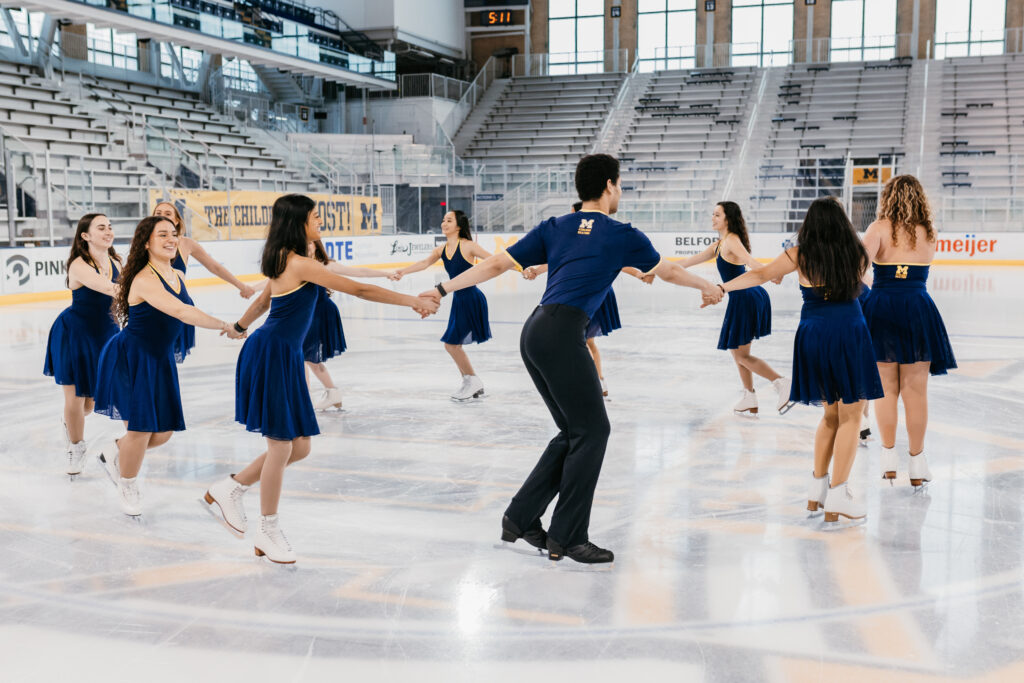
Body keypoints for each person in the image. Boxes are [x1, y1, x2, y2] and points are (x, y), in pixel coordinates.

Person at [420, 154, 722, 565]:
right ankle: (569, 537)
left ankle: (521, 518)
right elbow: (665, 271)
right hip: (562, 333)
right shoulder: (621, 233)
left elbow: (493, 264)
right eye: (620, 185)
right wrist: (708, 286)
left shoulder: (556, 225)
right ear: (611, 186)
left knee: (573, 431)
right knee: (593, 432)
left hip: (535, 331)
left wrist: (441, 287)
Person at [202, 195, 437, 564]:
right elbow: (357, 289)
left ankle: (230, 487)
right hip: (273, 353)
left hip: (283, 353)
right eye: (315, 217)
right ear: (298, 223)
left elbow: (265, 300)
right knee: (282, 446)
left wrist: (239, 326)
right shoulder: (296, 262)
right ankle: (268, 528)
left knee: (301, 447)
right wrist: (412, 301)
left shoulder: (288, 259)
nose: (320, 221)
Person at [719, 197, 883, 522]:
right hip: (849, 331)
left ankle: (816, 492)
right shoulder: (856, 253)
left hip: (812, 335)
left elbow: (761, 274)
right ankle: (839, 495)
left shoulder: (799, 254)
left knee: (830, 417)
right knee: (851, 417)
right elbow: (866, 291)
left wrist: (722, 288)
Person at [93, 217, 236, 516]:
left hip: (159, 361)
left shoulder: (177, 276)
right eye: (162, 235)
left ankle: (116, 449)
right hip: (132, 358)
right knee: (142, 430)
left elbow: (180, 315)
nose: (171, 239)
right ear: (146, 242)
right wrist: (226, 325)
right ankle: (128, 483)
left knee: (164, 432)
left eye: (174, 234)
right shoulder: (144, 279)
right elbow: (182, 311)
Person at [860, 175, 956, 485]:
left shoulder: (878, 229)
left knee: (886, 388)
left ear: (887, 197)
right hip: (917, 307)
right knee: (916, 392)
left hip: (883, 306)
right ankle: (917, 464)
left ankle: (888, 459)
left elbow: (856, 270)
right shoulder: (929, 232)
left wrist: (879, 287)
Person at [522, 201, 648, 397]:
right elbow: (560, 261)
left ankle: (596, 381)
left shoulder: (594, 234)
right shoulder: (575, 235)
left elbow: (619, 261)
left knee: (585, 340)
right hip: (581, 298)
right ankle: (593, 381)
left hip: (592, 297)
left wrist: (639, 274)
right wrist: (537, 270)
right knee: (583, 340)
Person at [253, 240, 397, 411]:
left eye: (311, 243)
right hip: (308, 314)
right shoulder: (295, 265)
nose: (307, 245)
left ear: (317, 245)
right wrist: (251, 288)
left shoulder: (325, 265)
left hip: (319, 314)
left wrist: (386, 273)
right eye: (304, 242)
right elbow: (273, 281)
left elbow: (359, 272)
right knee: (309, 358)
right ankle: (331, 392)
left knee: (301, 355)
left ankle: (304, 398)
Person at [677, 201, 791, 415]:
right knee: (736, 350)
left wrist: (773, 273)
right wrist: (657, 268)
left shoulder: (732, 240)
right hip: (741, 297)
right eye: (713, 214)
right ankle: (749, 395)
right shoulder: (718, 245)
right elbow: (688, 261)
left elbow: (751, 262)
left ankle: (781, 382)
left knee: (741, 355)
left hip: (747, 297)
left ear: (728, 218)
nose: (713, 218)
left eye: (717, 215)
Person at [44, 213, 122, 475]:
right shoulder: (79, 264)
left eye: (110, 226)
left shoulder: (116, 262)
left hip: (106, 334)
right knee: (76, 398)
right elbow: (111, 289)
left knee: (89, 403)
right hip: (74, 334)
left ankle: (70, 421)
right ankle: (76, 447)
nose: (108, 231)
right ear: (85, 235)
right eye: (101, 227)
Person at [391, 210, 493, 401]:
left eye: (449, 220)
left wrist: (522, 267)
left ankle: (472, 381)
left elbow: (495, 260)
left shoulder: (469, 246)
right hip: (459, 299)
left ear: (459, 226)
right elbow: (424, 263)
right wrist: (403, 271)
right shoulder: (442, 249)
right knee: (452, 345)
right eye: (443, 220)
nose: (444, 223)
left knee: (451, 344)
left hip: (471, 298)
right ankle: (470, 381)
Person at [152, 201, 256, 361]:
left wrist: (241, 285)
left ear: (177, 220)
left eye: (167, 213)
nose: (162, 216)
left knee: (166, 362)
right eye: (158, 213)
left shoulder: (186, 244)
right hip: (154, 306)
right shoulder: (145, 244)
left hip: (181, 306)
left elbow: (214, 267)